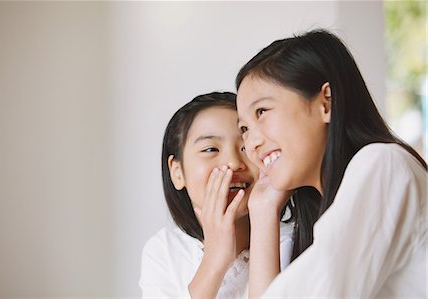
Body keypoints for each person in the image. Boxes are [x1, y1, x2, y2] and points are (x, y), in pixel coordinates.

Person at [235, 29, 427, 298]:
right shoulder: (319, 217)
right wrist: (263, 209)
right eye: (244, 128)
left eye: (262, 111)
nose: (251, 142)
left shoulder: (383, 165)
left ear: (326, 102)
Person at [139, 92, 294, 298]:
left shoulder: (295, 240)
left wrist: (265, 213)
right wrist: (215, 260)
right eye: (211, 149)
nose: (233, 162)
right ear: (177, 172)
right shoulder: (164, 251)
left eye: (244, 147)